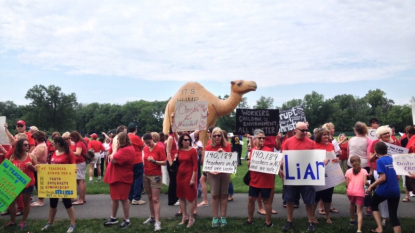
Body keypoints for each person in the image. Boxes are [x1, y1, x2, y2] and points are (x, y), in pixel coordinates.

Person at [279, 122, 316, 232]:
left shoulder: (311, 143)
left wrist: (322, 161)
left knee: (309, 200)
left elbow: (315, 158)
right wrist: (280, 168)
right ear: (295, 130)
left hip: (306, 177)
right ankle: (289, 221)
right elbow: (282, 157)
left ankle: (310, 221)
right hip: (292, 176)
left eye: (306, 130)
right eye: (302, 130)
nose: (305, 132)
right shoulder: (288, 142)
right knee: (290, 200)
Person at [41, 136, 76, 233]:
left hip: (64, 182)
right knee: (53, 203)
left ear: (57, 144)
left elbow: (73, 166)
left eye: (53, 143)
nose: (51, 144)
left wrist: (74, 170)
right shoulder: (54, 153)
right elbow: (51, 165)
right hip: (54, 182)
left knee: (67, 203)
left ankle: (73, 224)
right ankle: (50, 222)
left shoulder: (69, 153)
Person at [366, 142, 401, 233]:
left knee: (373, 204)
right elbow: (398, 177)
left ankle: (379, 228)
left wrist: (371, 186)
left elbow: (383, 178)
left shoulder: (379, 161)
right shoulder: (392, 159)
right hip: (395, 190)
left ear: (376, 151)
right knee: (393, 215)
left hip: (384, 190)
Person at [103, 132, 135, 229]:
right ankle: (113, 217)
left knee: (124, 199)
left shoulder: (127, 150)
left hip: (122, 178)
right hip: (116, 177)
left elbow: (113, 158)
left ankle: (126, 219)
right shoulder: (124, 149)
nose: (115, 142)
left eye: (117, 140)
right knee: (114, 198)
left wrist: (115, 148)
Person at [243, 129, 274, 227]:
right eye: (260, 138)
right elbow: (250, 167)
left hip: (265, 180)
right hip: (254, 179)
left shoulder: (268, 150)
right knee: (251, 199)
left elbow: (272, 165)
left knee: (266, 200)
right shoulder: (252, 150)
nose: (262, 139)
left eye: (263, 138)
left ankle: (268, 222)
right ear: (255, 139)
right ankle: (249, 219)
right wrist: (249, 164)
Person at [5, 139, 37, 230]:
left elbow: (38, 169)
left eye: (28, 145)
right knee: (11, 202)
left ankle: (23, 221)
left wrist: (31, 166)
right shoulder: (13, 157)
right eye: (25, 145)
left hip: (28, 183)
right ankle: (12, 221)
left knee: (26, 202)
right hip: (15, 183)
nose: (28, 146)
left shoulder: (31, 156)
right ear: (20, 147)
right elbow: (9, 169)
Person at [205, 127, 232, 227]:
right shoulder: (209, 146)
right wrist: (211, 171)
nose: (217, 137)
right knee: (215, 195)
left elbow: (231, 160)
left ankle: (223, 217)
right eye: (215, 135)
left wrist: (223, 154)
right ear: (212, 136)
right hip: (213, 175)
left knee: (224, 195)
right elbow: (205, 163)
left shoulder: (227, 145)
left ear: (222, 136)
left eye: (219, 135)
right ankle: (215, 217)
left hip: (224, 173)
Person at [312, 128, 339, 224]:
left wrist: (336, 160)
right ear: (319, 136)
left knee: (328, 197)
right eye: (324, 135)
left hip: (330, 175)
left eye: (327, 134)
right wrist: (320, 162)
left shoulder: (331, 145)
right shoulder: (313, 145)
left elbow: (334, 157)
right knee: (316, 197)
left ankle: (327, 216)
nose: (327, 136)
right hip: (317, 175)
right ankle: (312, 217)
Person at [142, 133, 167, 231]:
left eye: (149, 142)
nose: (148, 144)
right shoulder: (145, 149)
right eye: (146, 143)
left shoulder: (160, 148)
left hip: (155, 175)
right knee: (149, 197)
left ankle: (157, 221)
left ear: (152, 139)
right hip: (146, 174)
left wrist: (155, 162)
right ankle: (152, 217)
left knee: (155, 199)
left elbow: (165, 162)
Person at [347, 121, 373, 216]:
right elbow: (369, 155)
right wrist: (370, 168)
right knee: (366, 187)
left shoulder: (350, 140)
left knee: (352, 185)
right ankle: (368, 207)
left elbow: (348, 153)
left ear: (355, 130)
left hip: (351, 164)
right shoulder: (368, 140)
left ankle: (353, 206)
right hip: (364, 165)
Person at [175, 133, 198, 228]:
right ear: (181, 141)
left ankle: (191, 218)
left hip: (189, 175)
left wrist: (193, 178)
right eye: (185, 140)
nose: (187, 141)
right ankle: (184, 217)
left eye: (188, 139)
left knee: (190, 197)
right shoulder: (179, 150)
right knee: (181, 197)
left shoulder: (192, 151)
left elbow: (195, 166)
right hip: (180, 175)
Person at [345, 155, 368, 233]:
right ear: (360, 162)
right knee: (359, 211)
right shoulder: (364, 171)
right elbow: (365, 182)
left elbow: (346, 184)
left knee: (352, 204)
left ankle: (352, 219)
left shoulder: (348, 171)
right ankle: (359, 229)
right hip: (360, 192)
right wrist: (369, 185)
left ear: (350, 163)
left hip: (350, 191)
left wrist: (348, 188)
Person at [126, 123, 145, 205]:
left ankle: (130, 197)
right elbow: (143, 146)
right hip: (137, 160)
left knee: (131, 180)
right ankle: (136, 198)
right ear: (135, 130)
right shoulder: (135, 137)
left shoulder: (126, 137)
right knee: (138, 179)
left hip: (128, 161)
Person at [30, 130, 48, 207]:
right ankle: (39, 200)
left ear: (38, 138)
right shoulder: (41, 145)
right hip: (38, 166)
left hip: (39, 167)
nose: (34, 140)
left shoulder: (41, 146)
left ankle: (40, 201)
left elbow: (36, 158)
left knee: (39, 184)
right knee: (38, 183)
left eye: (35, 138)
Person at [70, 131, 88, 205]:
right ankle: (83, 198)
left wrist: (69, 152)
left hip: (79, 163)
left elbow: (78, 153)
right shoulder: (82, 142)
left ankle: (80, 199)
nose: (71, 140)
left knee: (79, 181)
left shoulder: (79, 143)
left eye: (72, 138)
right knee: (82, 181)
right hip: (82, 162)